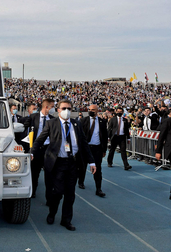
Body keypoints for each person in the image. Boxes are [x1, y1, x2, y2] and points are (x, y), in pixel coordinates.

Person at [31, 99, 96, 231]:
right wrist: (32, 152)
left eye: (69, 108)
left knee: (70, 194)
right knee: (58, 192)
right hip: (57, 163)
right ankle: (52, 213)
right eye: (64, 108)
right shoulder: (51, 123)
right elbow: (40, 140)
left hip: (72, 163)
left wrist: (91, 161)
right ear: (58, 110)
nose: (67, 111)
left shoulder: (76, 124)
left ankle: (66, 220)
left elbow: (83, 144)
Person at [22, 98, 55, 199]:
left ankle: (49, 198)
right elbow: (23, 128)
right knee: (34, 173)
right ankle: (33, 192)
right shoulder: (33, 117)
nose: (53, 109)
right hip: (36, 149)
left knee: (49, 174)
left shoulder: (53, 119)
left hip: (48, 149)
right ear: (46, 107)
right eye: (52, 107)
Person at [78, 104, 108, 197]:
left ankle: (98, 189)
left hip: (97, 148)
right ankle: (81, 181)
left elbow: (105, 136)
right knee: (82, 166)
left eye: (93, 110)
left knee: (98, 168)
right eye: (89, 109)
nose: (91, 111)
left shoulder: (102, 122)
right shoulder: (83, 121)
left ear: (97, 111)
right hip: (85, 148)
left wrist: (104, 150)